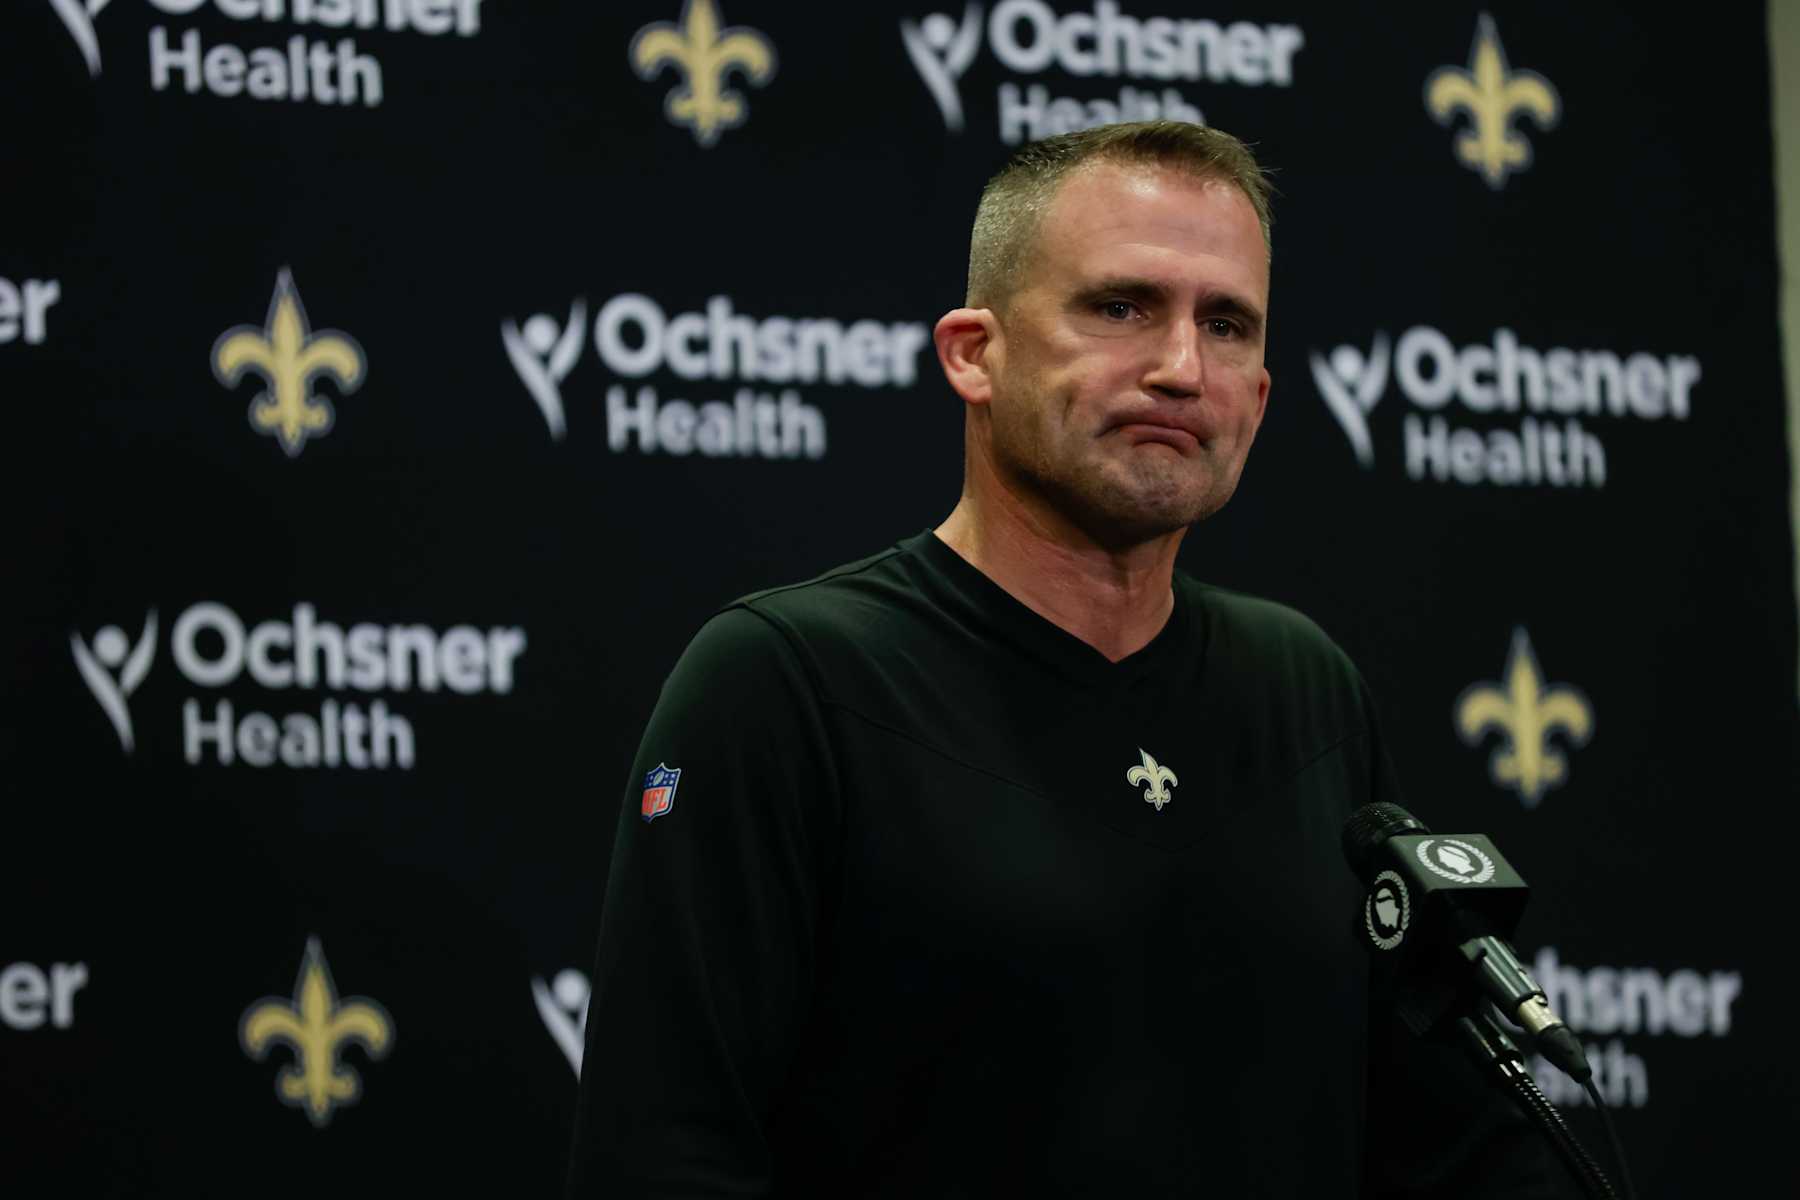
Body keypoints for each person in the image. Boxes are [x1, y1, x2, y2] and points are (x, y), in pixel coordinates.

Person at [565, 121, 1571, 1197]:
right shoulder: (785, 682)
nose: (1182, 368)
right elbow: (665, 1152)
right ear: (973, 353)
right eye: (1121, 307)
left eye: (1227, 324)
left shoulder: (1305, 686)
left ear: (1264, 396)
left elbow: (1439, 1139)